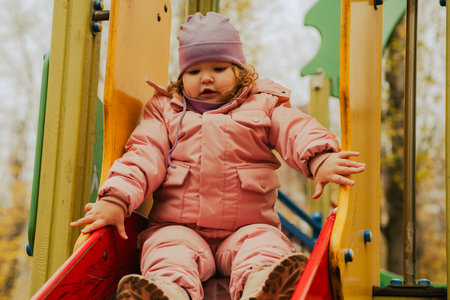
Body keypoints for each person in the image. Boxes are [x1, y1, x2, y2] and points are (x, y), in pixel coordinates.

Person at [71, 12, 365, 300]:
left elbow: (296, 131)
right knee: (166, 252)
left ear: (240, 70)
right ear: (181, 76)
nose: (206, 79)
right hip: (178, 227)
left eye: (219, 69)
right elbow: (142, 156)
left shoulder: (263, 104)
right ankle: (167, 292)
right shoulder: (165, 111)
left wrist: (320, 158)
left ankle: (265, 285)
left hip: (247, 227)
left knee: (265, 247)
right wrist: (115, 199)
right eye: (194, 71)